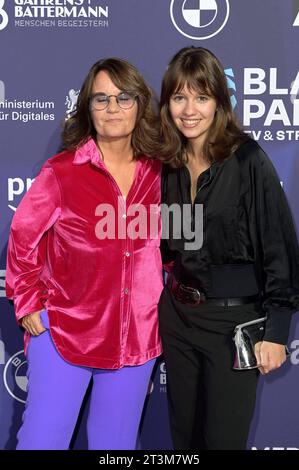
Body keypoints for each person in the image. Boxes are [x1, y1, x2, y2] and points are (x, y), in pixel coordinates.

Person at [6, 58, 163, 450]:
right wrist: (27, 303)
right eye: (101, 99)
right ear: (87, 109)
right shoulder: (62, 172)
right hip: (63, 331)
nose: (113, 108)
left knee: (116, 446)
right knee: (42, 441)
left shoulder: (161, 172)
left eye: (124, 97)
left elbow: (176, 246)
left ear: (140, 104)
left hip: (136, 337)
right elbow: (22, 238)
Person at [158, 46, 299, 450]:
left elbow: (279, 247)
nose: (190, 110)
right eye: (179, 97)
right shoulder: (167, 161)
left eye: (202, 97)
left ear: (220, 102)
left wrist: (276, 330)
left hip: (233, 324)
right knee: (183, 440)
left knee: (222, 441)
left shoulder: (248, 159)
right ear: (167, 103)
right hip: (178, 318)